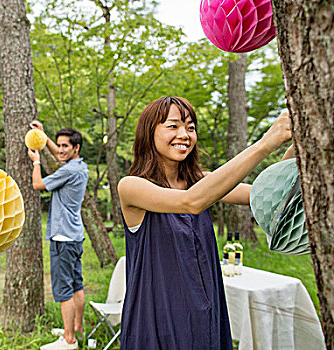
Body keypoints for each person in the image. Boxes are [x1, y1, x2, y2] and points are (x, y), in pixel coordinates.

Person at [117, 96, 291, 349]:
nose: (184, 134)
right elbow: (191, 202)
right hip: (158, 317)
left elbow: (269, 196)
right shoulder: (132, 187)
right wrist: (264, 145)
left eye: (190, 127)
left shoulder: (202, 182)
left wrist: (299, 138)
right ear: (149, 133)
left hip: (204, 311)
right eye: (173, 126)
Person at [27, 121, 89, 350]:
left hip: (62, 238)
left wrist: (36, 161)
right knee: (76, 286)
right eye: (59, 145)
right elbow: (58, 154)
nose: (60, 150)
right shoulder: (80, 166)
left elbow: (38, 184)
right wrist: (42, 136)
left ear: (76, 148)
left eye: (65, 146)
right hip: (75, 236)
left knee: (64, 290)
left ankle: (69, 339)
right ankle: (78, 330)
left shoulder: (68, 171)